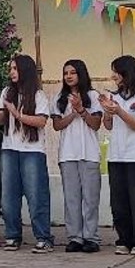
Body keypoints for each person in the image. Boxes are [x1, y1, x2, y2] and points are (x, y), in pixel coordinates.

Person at [0, 54, 53, 253]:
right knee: (9, 196)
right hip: (9, 149)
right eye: (10, 69)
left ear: (25, 70)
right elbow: (1, 121)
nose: (12, 72)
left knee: (36, 195)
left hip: (32, 150)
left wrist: (16, 114)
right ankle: (12, 236)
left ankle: (43, 237)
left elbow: (41, 122)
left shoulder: (38, 95)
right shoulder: (7, 92)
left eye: (15, 68)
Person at [100, 55, 135, 257]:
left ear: (127, 73)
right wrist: (108, 112)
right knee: (119, 202)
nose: (113, 76)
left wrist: (119, 111)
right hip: (117, 156)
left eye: (116, 71)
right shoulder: (115, 97)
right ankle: (124, 239)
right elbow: (107, 125)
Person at [51, 59, 104, 254]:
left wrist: (82, 109)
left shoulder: (93, 96)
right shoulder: (59, 98)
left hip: (89, 153)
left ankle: (91, 237)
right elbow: (57, 126)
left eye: (73, 72)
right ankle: (75, 237)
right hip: (67, 154)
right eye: (66, 73)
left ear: (81, 74)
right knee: (71, 198)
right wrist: (72, 113)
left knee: (90, 198)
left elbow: (96, 124)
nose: (69, 76)